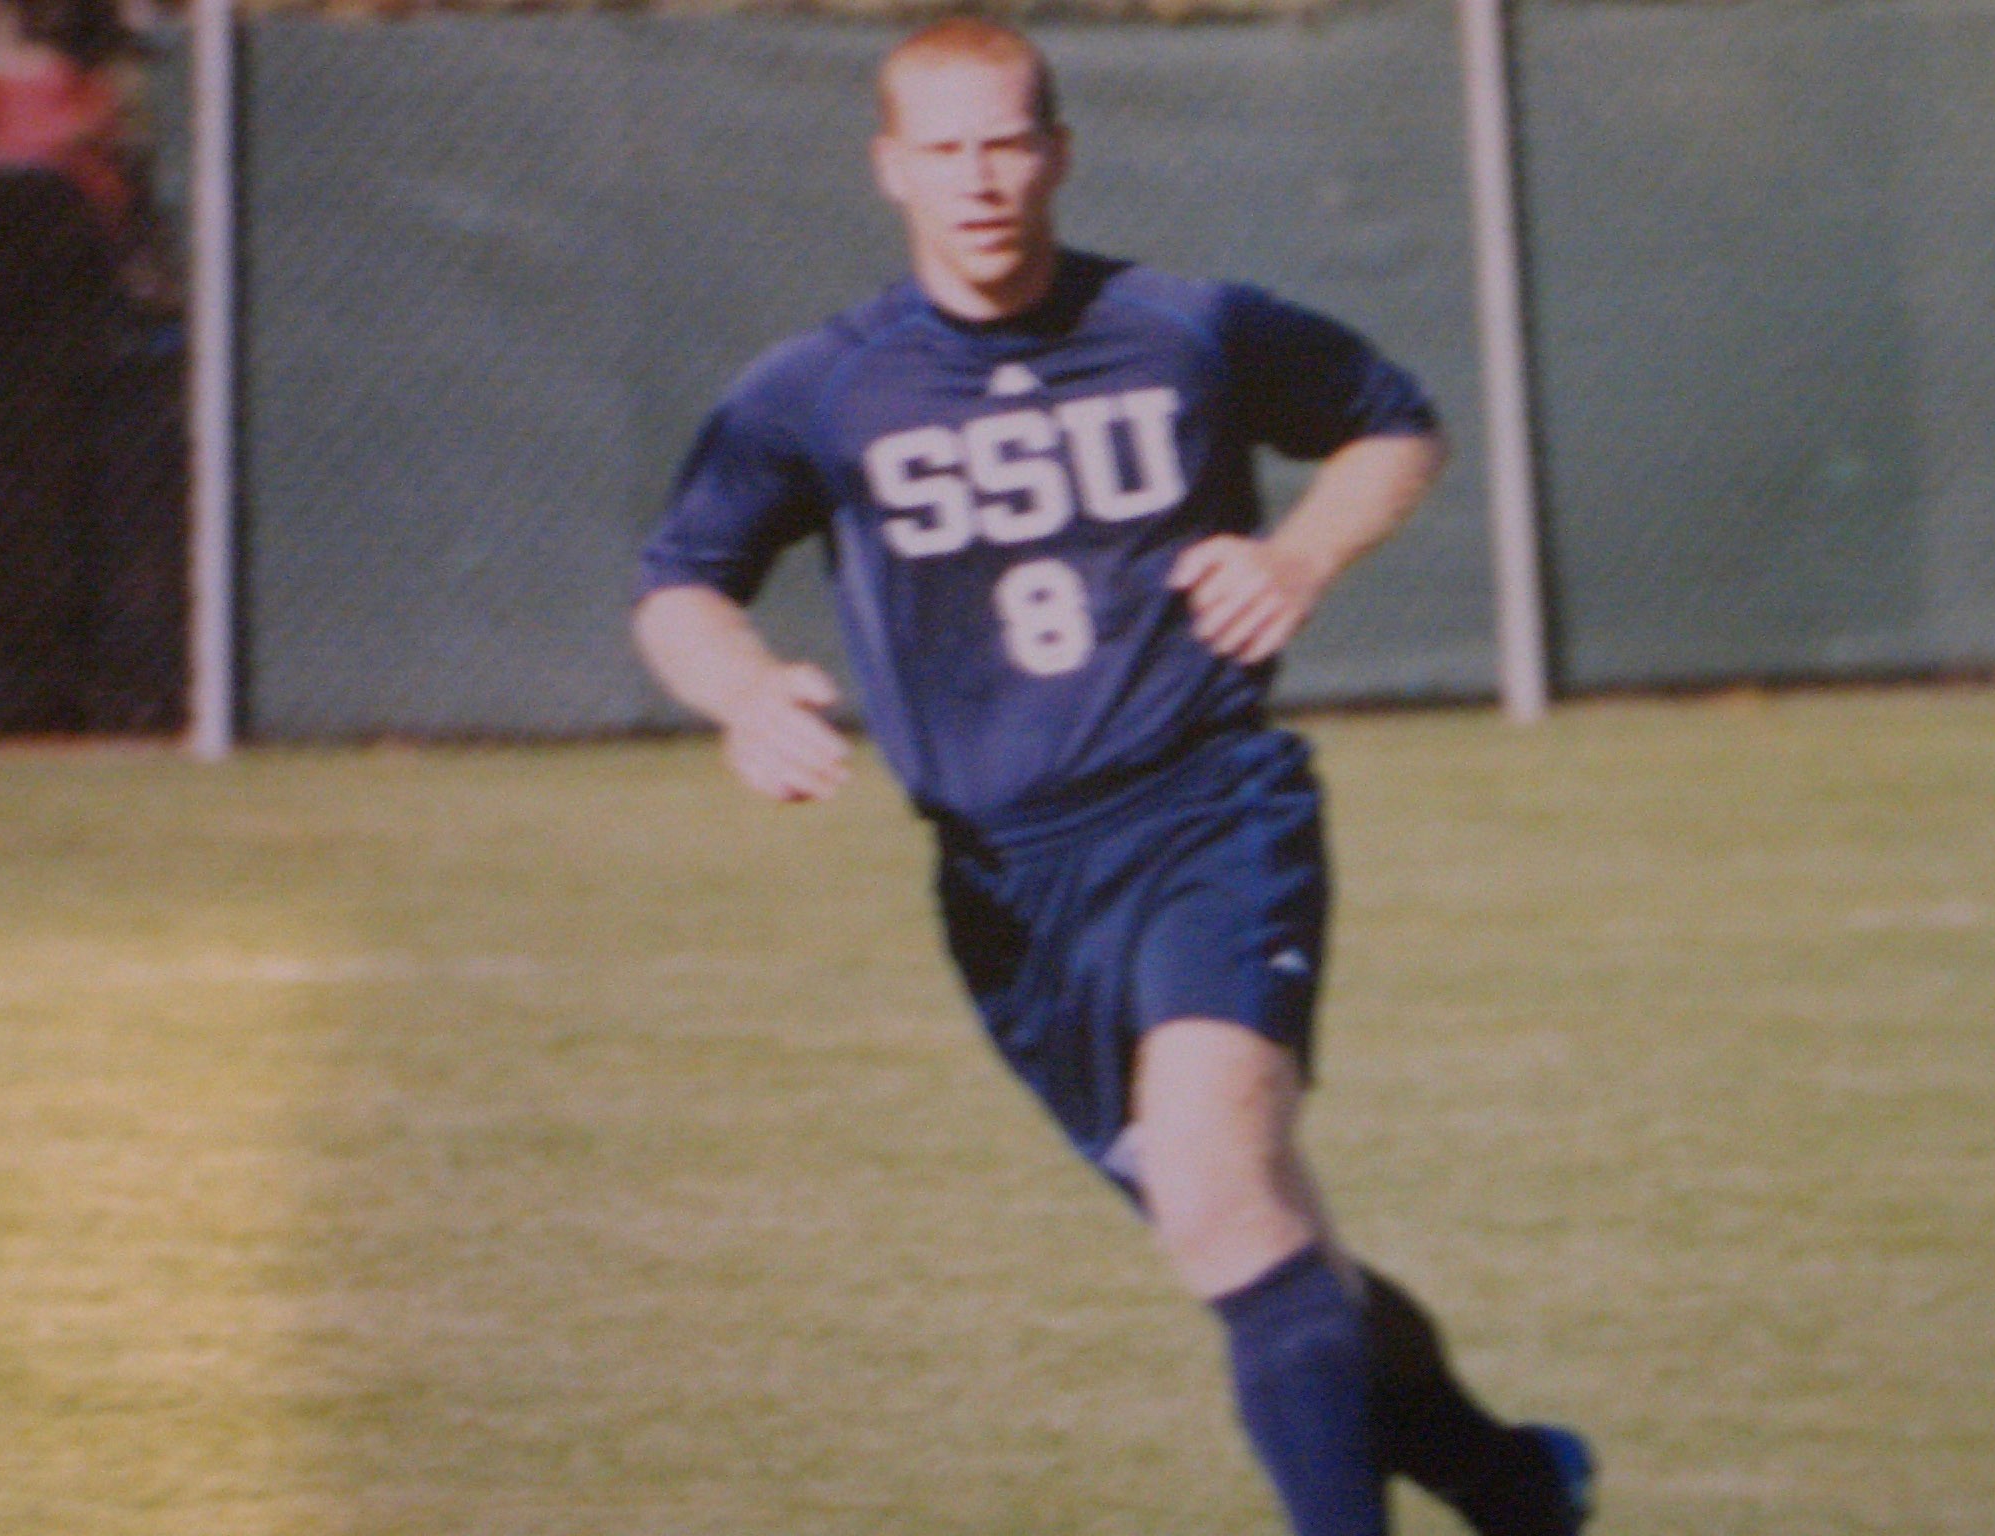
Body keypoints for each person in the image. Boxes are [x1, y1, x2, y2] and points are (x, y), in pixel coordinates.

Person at [634, 19, 1595, 1536]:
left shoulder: (1185, 328)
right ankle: (1511, 1485)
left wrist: (1300, 551)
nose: (980, 179)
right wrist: (746, 692)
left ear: (1060, 154)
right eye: (943, 149)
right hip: (1010, 895)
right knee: (1264, 1257)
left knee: (1222, 1182)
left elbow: (1392, 422)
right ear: (890, 169)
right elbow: (682, 584)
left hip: (1206, 809)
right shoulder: (823, 388)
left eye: (1009, 141)